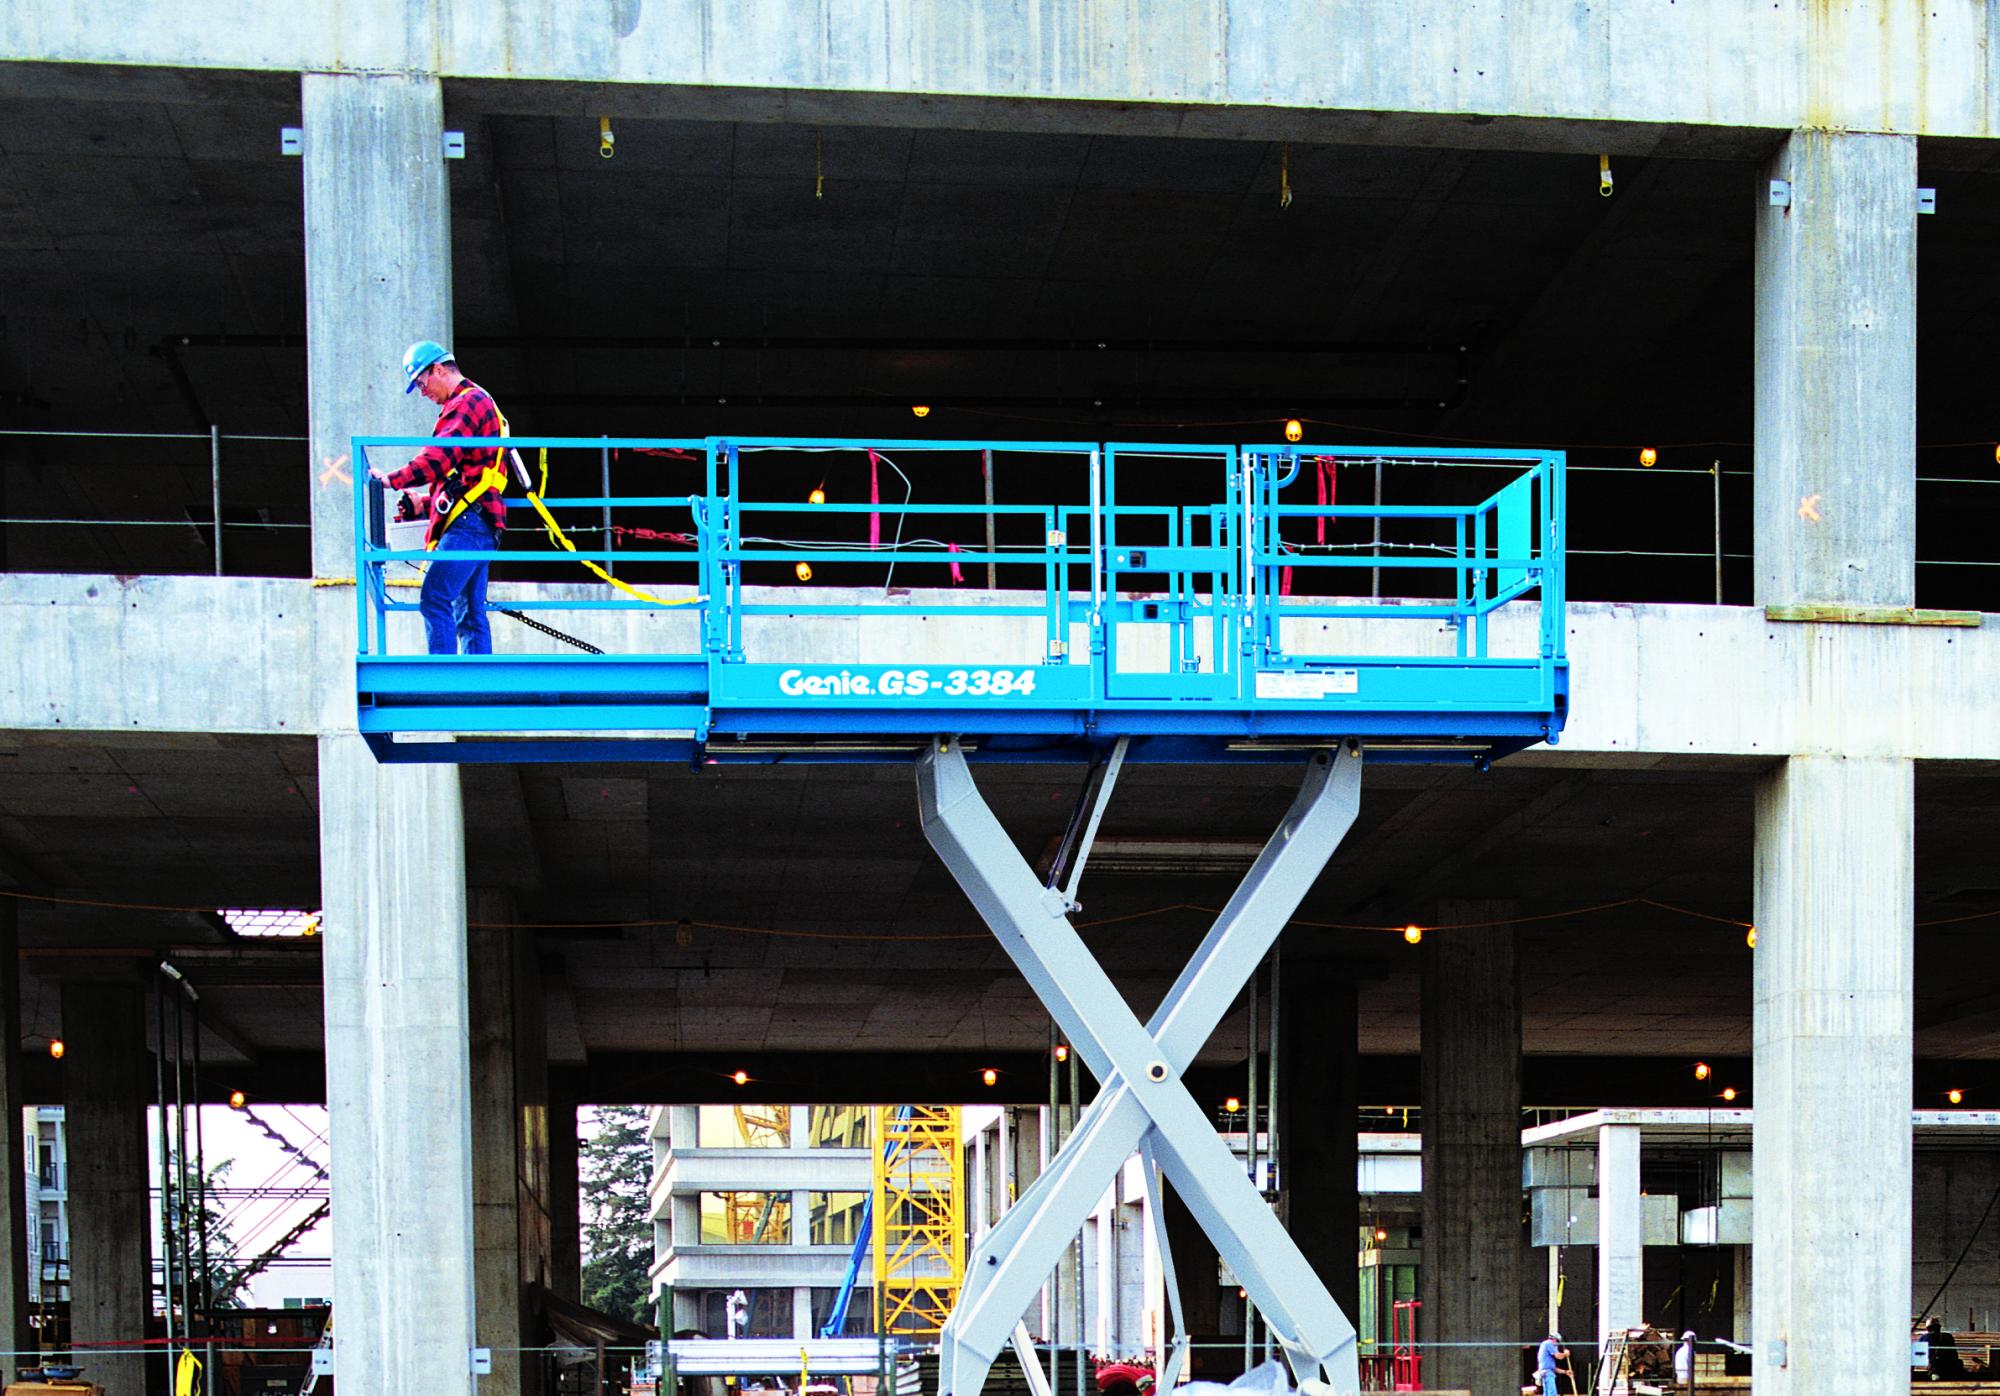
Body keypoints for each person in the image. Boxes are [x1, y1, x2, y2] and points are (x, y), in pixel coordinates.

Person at [370, 340, 509, 655]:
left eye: (421, 383)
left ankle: (443, 678)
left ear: (437, 369)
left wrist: (391, 480)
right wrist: (423, 502)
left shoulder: (466, 403)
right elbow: (461, 473)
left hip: (469, 524)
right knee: (469, 613)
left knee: (434, 598)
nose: (422, 392)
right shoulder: (477, 402)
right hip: (478, 521)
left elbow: (438, 459)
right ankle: (473, 688)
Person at [1927, 1317, 1966, 1381]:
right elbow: (1954, 1354)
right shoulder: (1948, 1336)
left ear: (1928, 1329)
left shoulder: (1927, 1337)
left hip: (1937, 1370)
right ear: (1939, 1327)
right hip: (1952, 1369)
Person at [1534, 1331, 1570, 1396]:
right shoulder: (1549, 1343)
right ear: (1554, 1339)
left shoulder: (1545, 1347)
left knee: (1547, 1394)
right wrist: (1565, 1354)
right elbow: (1558, 1356)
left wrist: (1565, 1372)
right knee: (1552, 1394)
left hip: (1545, 1373)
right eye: (1557, 1342)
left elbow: (1553, 1368)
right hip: (1548, 1373)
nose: (1556, 1345)